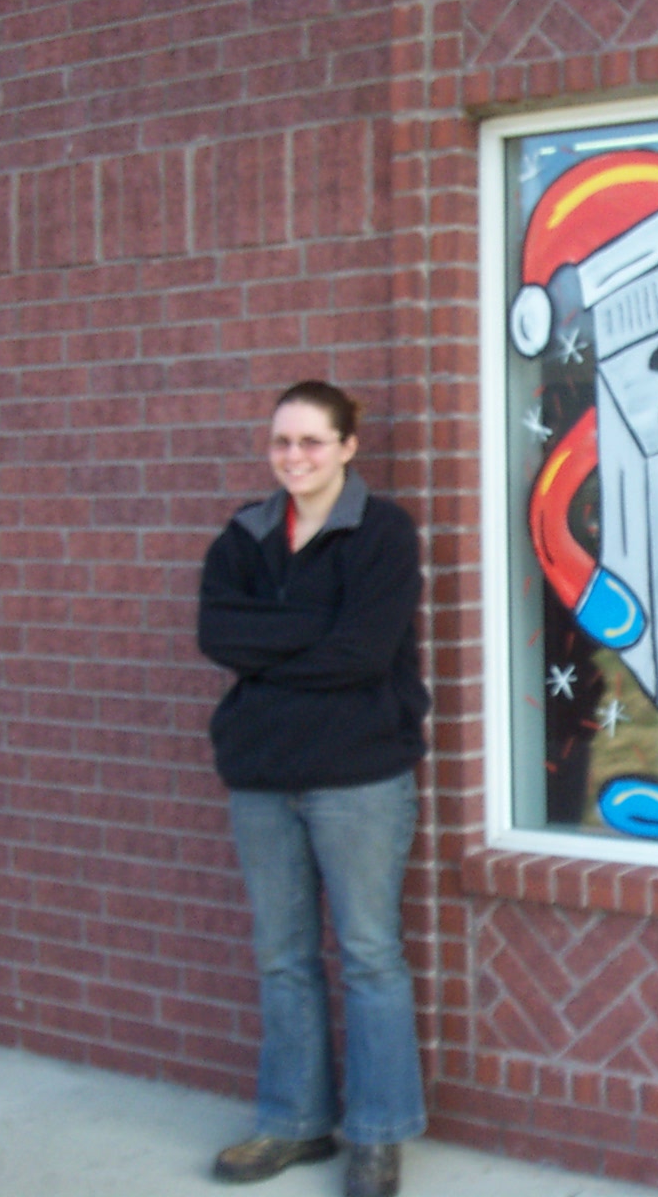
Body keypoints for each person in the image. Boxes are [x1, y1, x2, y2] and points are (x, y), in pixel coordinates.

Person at [196, 380, 430, 1197]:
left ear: (347, 447)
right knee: (282, 957)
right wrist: (313, 628)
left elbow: (364, 652)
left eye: (311, 442)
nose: (294, 457)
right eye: (282, 442)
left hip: (358, 778)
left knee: (369, 957)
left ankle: (378, 1135)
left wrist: (269, 650)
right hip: (263, 779)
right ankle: (294, 1123)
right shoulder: (246, 535)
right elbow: (216, 633)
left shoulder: (383, 532)